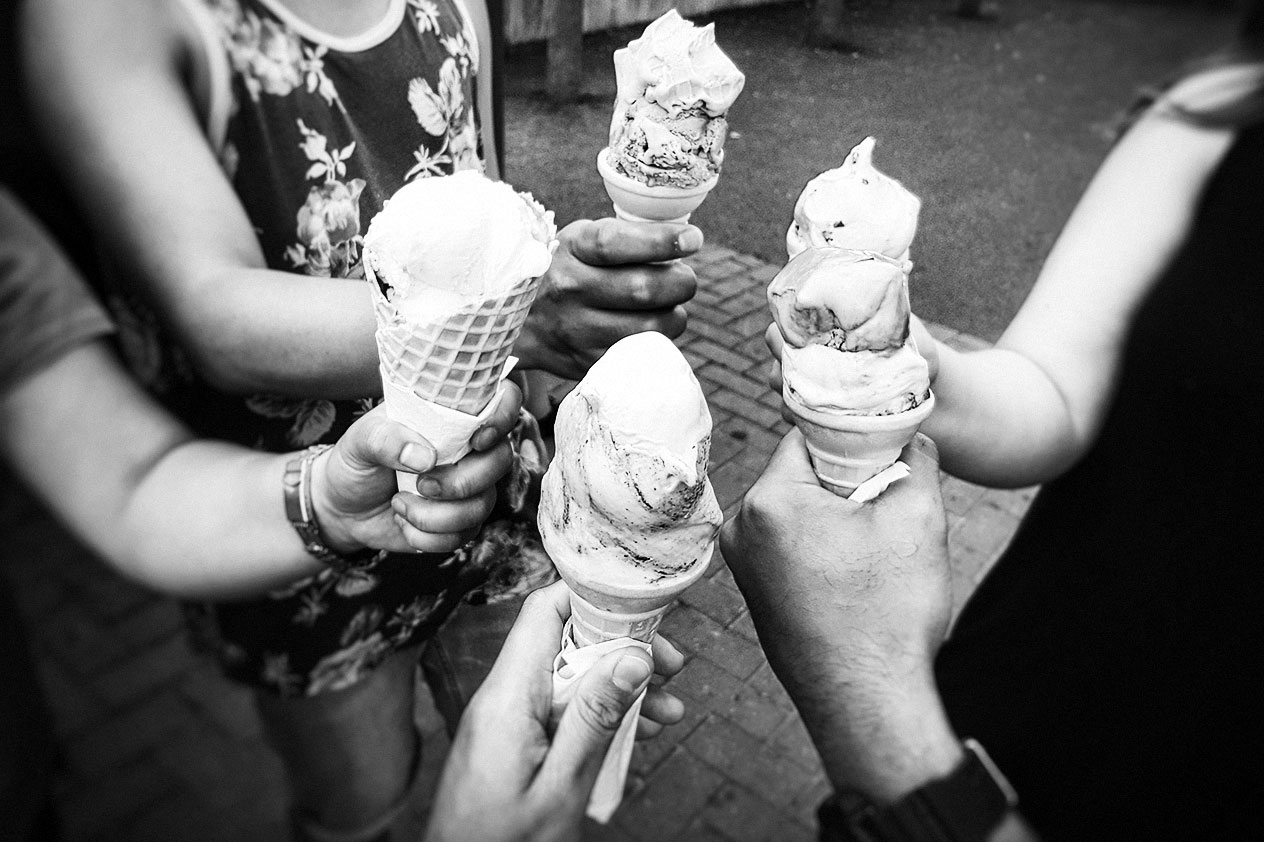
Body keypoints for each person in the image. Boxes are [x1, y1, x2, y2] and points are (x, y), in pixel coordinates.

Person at [18, 0, 699, 837]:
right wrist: (531, 322)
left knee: (543, 772)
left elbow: (490, 206)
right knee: (359, 814)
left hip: (498, 488)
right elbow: (212, 312)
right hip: (286, 542)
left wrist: (554, 371)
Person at [758, 7, 1264, 839]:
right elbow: (1055, 390)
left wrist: (875, 707)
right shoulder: (1225, 108)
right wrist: (904, 362)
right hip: (1014, 702)